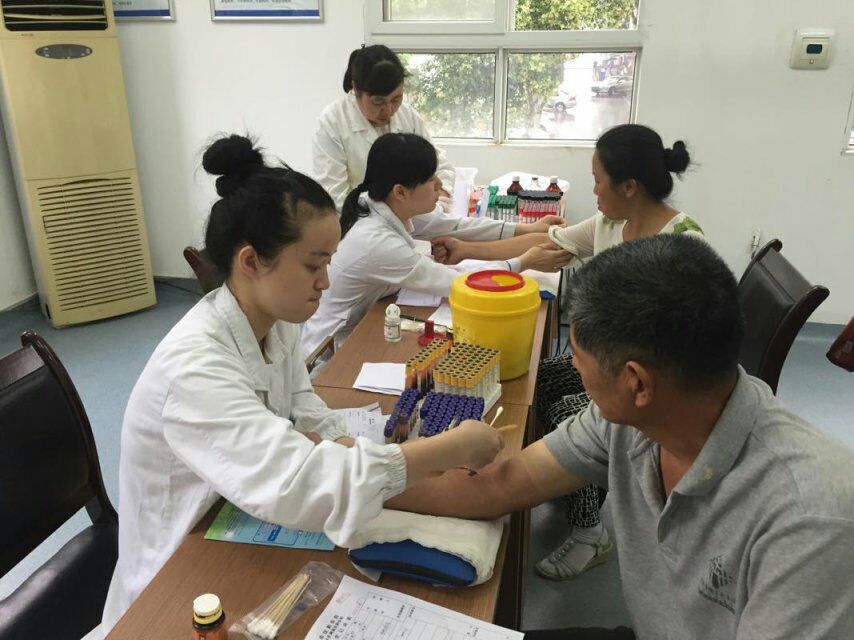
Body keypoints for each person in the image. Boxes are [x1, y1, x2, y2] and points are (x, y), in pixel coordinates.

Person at [98, 134, 504, 635]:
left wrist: (348, 446)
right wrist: (442, 451)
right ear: (251, 262)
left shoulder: (274, 320)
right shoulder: (194, 369)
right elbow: (295, 483)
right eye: (313, 265)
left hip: (236, 512)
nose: (326, 281)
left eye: (329, 262)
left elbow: (303, 407)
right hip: (175, 574)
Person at [388, 234, 854, 639]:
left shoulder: (811, 519)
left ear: (637, 383)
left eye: (578, 355)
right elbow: (500, 485)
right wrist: (365, 482)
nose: (571, 366)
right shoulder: (626, 422)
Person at [431, 123, 705, 580]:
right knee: (541, 378)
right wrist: (465, 249)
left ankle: (590, 531)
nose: (593, 190)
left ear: (629, 186)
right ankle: (574, 481)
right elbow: (545, 243)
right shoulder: (612, 224)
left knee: (566, 413)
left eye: (598, 180)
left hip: (656, 385)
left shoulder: (682, 244)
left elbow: (681, 347)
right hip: (612, 366)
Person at [301, 132, 571, 357]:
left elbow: (457, 225)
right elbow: (457, 282)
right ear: (400, 191)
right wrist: (525, 262)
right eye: (431, 179)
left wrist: (525, 228)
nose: (440, 186)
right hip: (331, 353)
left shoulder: (384, 205)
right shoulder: (375, 241)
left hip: (366, 324)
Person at [313, 44, 454, 211]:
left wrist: (442, 197)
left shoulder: (407, 115)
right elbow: (335, 196)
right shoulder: (333, 122)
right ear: (356, 89)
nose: (388, 110)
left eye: (396, 99)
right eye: (378, 102)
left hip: (416, 218)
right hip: (360, 221)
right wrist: (383, 220)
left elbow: (438, 165)